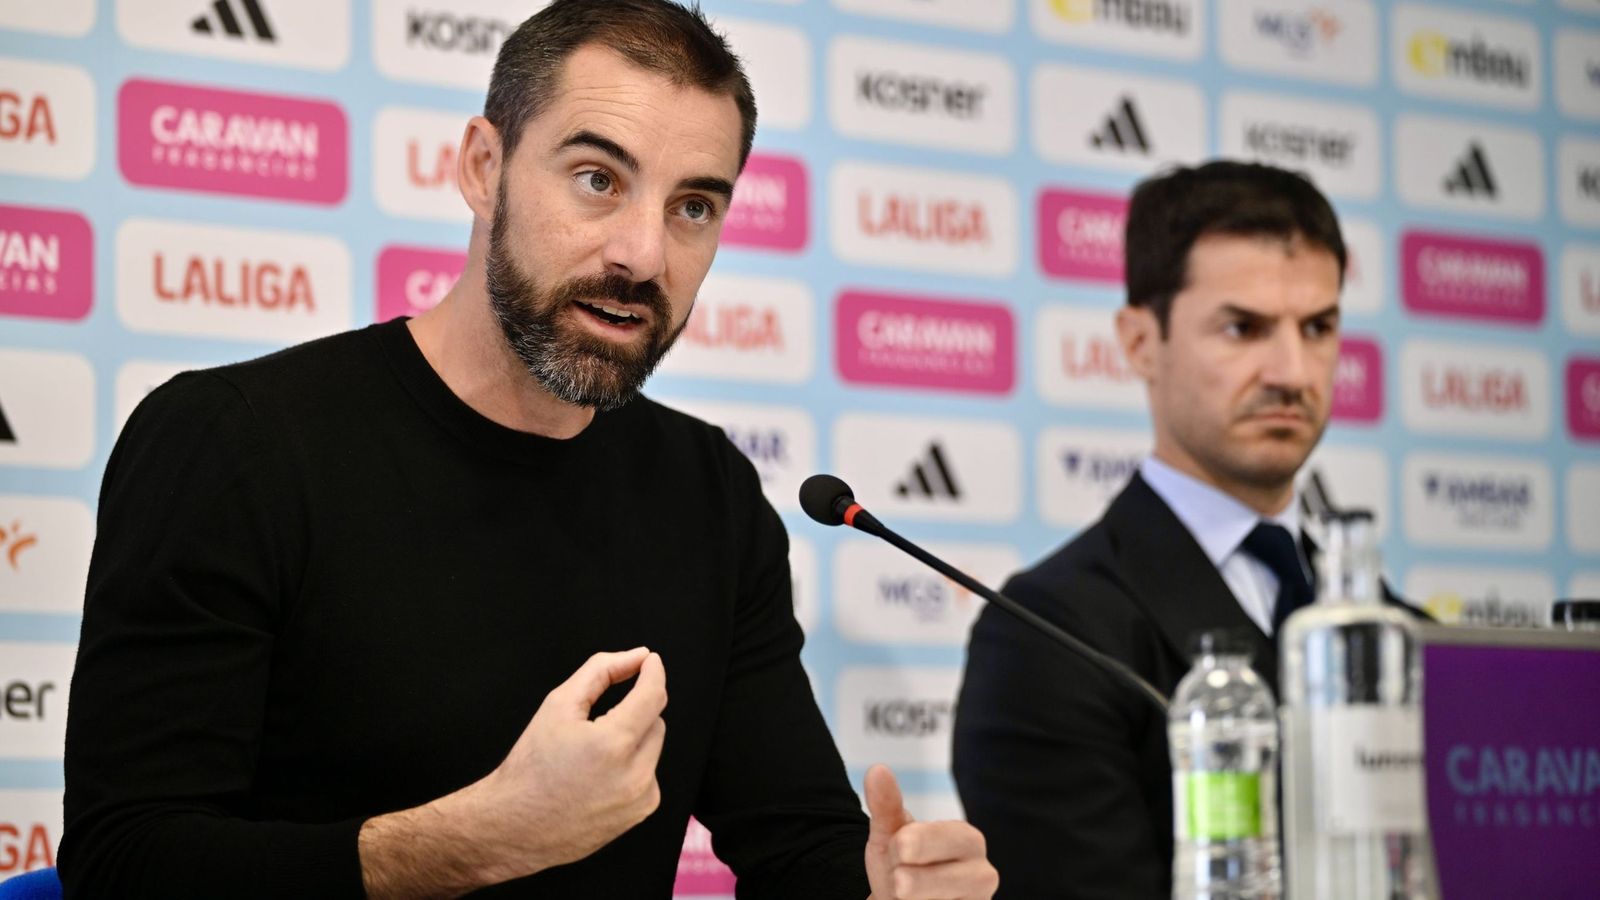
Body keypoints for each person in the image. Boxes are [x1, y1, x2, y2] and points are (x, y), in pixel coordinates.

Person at [59, 2, 998, 898]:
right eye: (598, 179)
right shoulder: (234, 443)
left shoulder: (706, 491)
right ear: (482, 166)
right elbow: (126, 864)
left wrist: (885, 890)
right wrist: (477, 840)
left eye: (694, 207)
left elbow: (796, 844)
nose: (643, 253)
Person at [953, 160, 1417, 898]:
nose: (1294, 371)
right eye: (1244, 328)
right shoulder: (1046, 633)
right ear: (1140, 342)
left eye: (1319, 327)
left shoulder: (1405, 635)